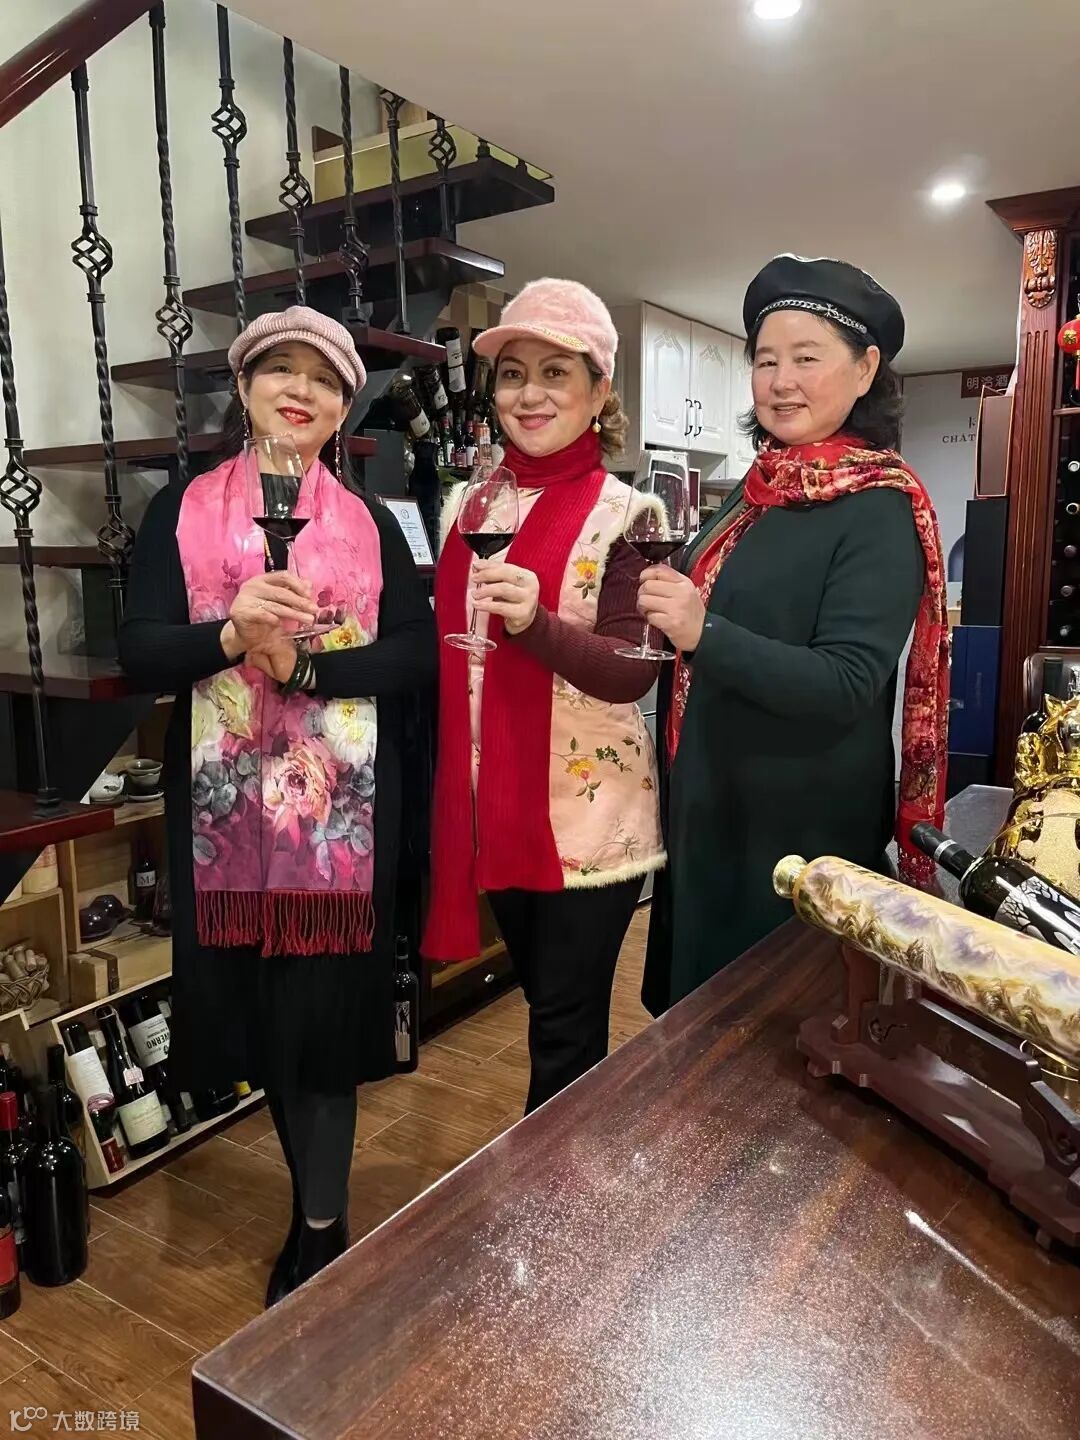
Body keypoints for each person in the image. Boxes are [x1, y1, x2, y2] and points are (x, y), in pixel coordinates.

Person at [119, 306, 436, 1302]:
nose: (301, 391)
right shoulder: (179, 512)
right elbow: (141, 652)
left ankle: (323, 1230)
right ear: (246, 386)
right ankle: (313, 1208)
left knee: (322, 1029)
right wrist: (228, 635)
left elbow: (413, 658)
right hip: (224, 828)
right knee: (266, 1025)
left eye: (325, 379)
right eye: (280, 370)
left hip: (339, 828)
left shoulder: (372, 524)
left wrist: (305, 668)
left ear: (343, 408)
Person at [641, 255, 949, 1014]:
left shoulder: (878, 506)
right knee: (696, 1035)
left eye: (806, 358)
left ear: (865, 369)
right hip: (714, 801)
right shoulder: (758, 491)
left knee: (772, 1041)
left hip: (793, 828)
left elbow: (846, 682)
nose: (781, 381)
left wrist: (702, 632)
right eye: (766, 360)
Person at [423, 279, 664, 1112]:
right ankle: (567, 1162)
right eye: (513, 374)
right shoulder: (468, 505)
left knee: (563, 1027)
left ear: (599, 392)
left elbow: (633, 667)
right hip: (496, 804)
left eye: (555, 373)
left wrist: (535, 625)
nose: (529, 394)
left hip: (587, 822)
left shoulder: (631, 516)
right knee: (546, 1006)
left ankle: (551, 1183)